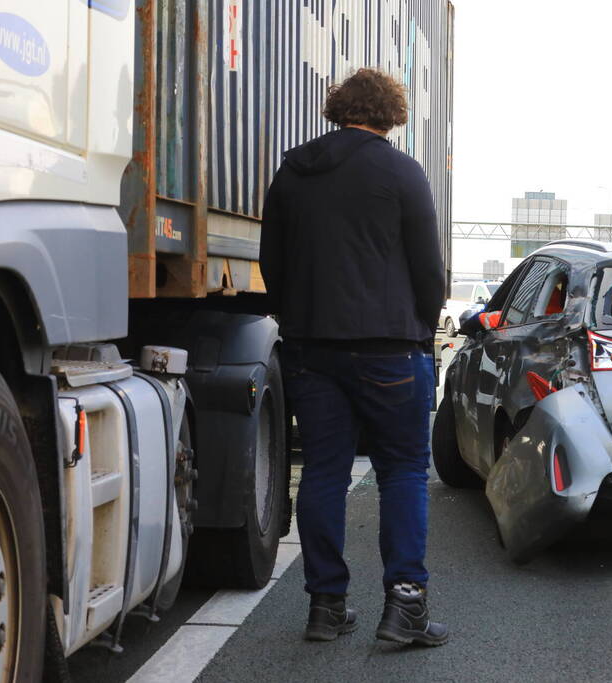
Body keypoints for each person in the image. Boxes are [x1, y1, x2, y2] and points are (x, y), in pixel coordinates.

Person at [259, 68, 448, 646]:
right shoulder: (401, 172)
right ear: (392, 116)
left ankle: (325, 607)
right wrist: (419, 328)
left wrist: (300, 319)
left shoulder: (293, 170)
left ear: (338, 109)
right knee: (404, 471)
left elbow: (273, 262)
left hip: (313, 349)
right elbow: (428, 270)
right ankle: (405, 608)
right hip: (390, 349)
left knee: (322, 471)